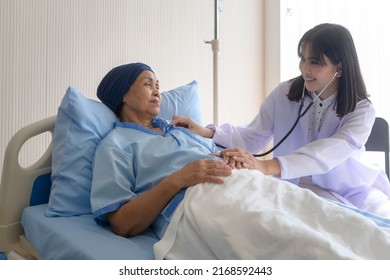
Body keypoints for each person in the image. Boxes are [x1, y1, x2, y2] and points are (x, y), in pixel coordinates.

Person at [90, 61, 390, 260]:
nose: (158, 90)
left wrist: (230, 155)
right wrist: (180, 177)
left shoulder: (178, 130)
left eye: (158, 84)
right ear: (122, 95)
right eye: (147, 84)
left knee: (339, 224)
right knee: (308, 246)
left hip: (254, 184)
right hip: (201, 200)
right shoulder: (116, 144)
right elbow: (122, 223)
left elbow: (240, 141)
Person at [172, 23, 390, 219]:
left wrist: (267, 166)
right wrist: (207, 132)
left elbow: (331, 151)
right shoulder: (285, 93)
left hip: (351, 190)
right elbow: (253, 136)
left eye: (315, 62)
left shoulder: (361, 110)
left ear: (339, 69)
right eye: (302, 59)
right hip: (297, 187)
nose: (305, 68)